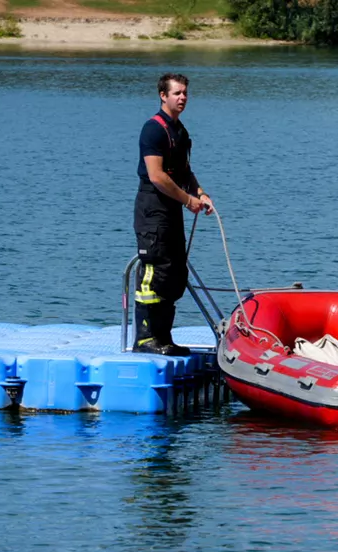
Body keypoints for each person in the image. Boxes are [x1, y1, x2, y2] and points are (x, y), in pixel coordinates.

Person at [132, 72, 213, 357]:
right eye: (177, 93)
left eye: (185, 93)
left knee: (174, 273)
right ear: (163, 96)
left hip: (173, 208)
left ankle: (163, 338)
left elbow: (184, 172)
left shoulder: (181, 132)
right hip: (153, 208)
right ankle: (144, 339)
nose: (183, 98)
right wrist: (188, 200)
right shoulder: (153, 130)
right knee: (154, 271)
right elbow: (157, 176)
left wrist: (200, 194)